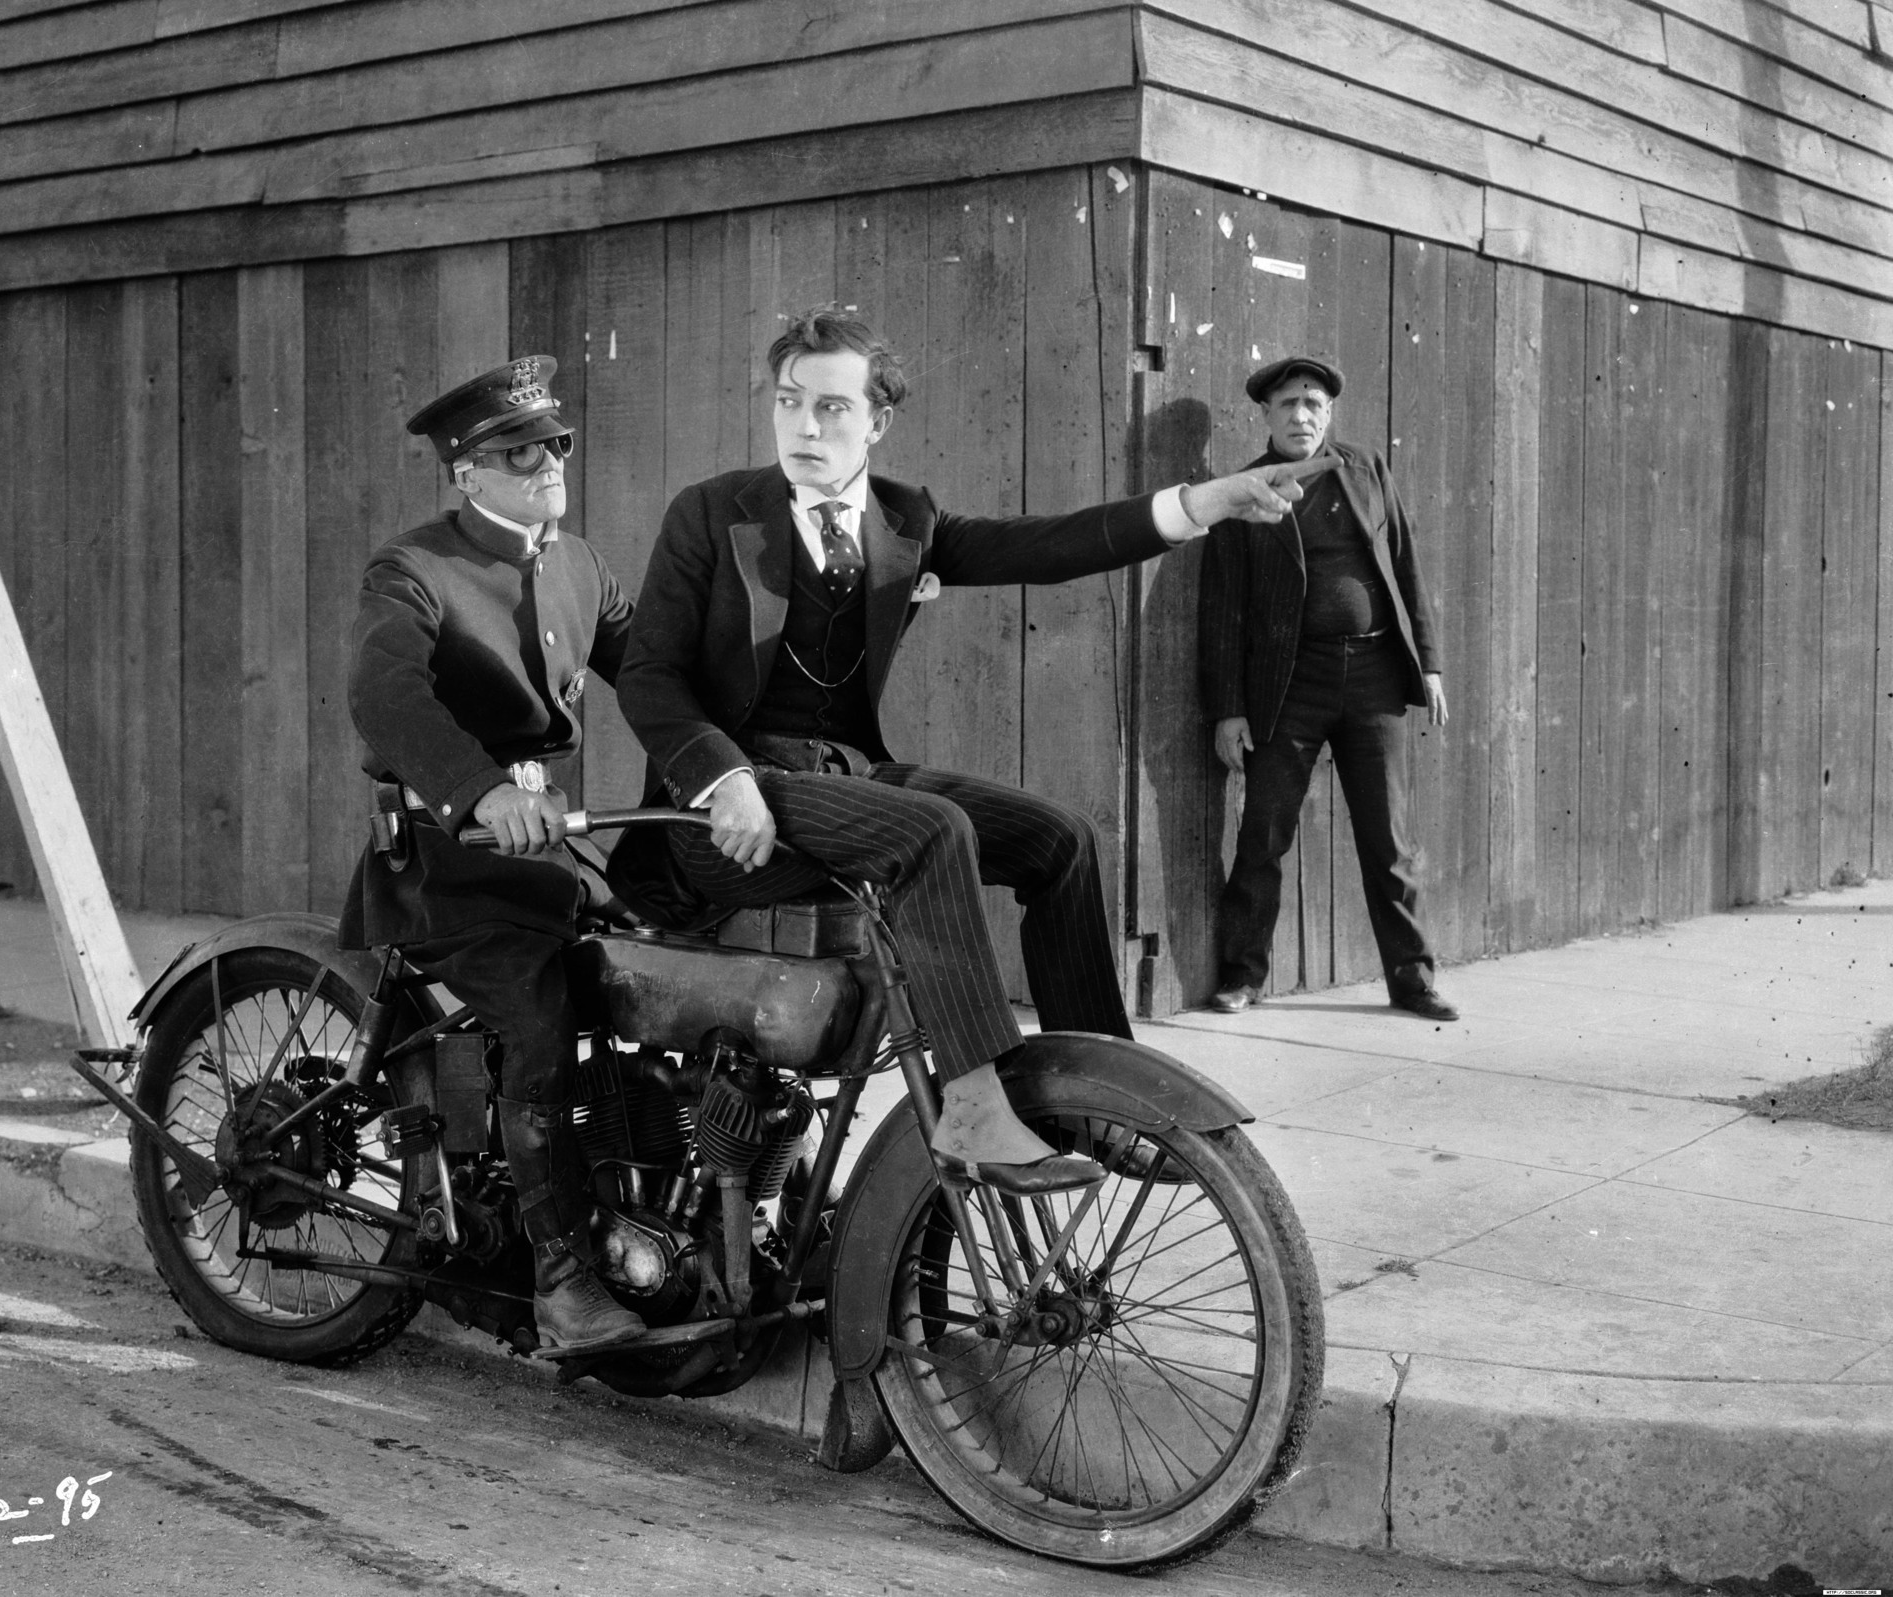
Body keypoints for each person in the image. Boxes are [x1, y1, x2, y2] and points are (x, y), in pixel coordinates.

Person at [612, 307, 1305, 1194]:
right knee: (934, 831)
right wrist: (724, 777)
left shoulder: (905, 519)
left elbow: (1049, 546)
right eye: (789, 402)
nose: (804, 426)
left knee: (1059, 838)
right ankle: (975, 1107)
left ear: (878, 421)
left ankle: (1094, 1097)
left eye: (831, 408)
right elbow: (648, 678)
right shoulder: (713, 514)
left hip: (844, 782)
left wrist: (1203, 503)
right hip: (724, 813)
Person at [339, 355, 646, 1352]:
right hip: (453, 855)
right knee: (538, 1010)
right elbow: (387, 699)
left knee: (670, 976)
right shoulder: (412, 569)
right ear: (466, 475)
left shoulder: (577, 563)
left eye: (552, 443)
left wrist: (735, 762)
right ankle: (563, 1286)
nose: (544, 460)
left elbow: (654, 677)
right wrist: (477, 789)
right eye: (514, 451)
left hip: (553, 853)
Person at [1198, 355, 1457, 1021]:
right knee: (1264, 833)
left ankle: (1413, 981)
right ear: (1266, 415)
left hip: (1373, 678)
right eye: (1288, 404)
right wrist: (1228, 709)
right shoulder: (1245, 490)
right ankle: (1242, 974)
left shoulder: (1366, 469)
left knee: (1388, 839)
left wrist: (1428, 661)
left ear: (1330, 413)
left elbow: (1406, 562)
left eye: (1313, 402)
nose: (1301, 415)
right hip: (1288, 685)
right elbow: (1222, 607)